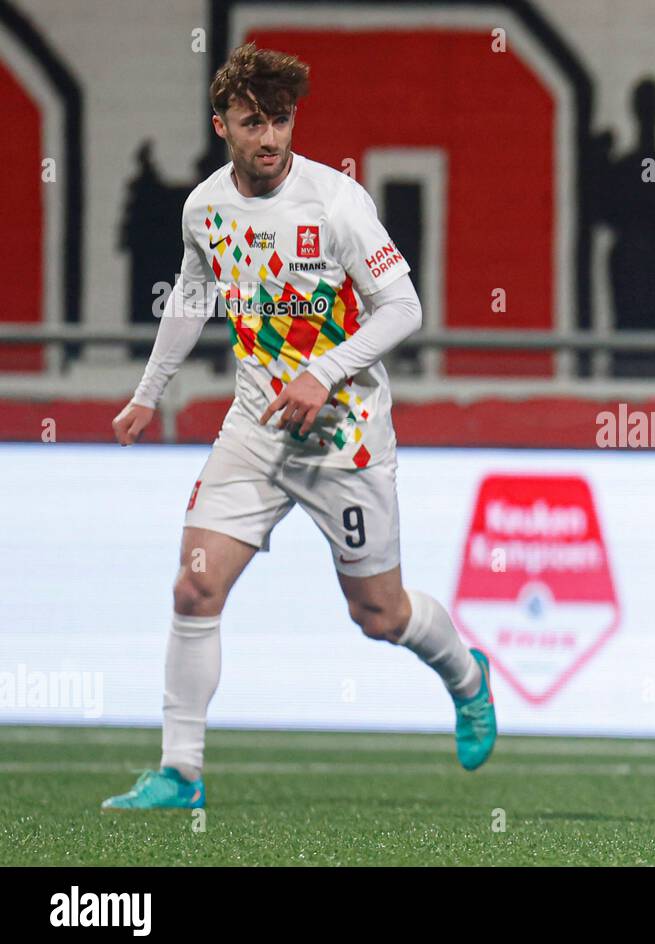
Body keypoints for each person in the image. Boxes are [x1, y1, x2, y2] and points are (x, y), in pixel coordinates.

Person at [103, 42, 495, 811]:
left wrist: (324, 373)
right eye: (253, 123)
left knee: (379, 615)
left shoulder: (336, 202)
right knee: (194, 589)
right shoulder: (205, 208)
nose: (271, 139)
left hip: (343, 437)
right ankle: (181, 772)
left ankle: (468, 675)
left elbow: (405, 309)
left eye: (281, 121)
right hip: (255, 431)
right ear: (223, 125)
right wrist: (149, 393)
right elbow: (191, 296)